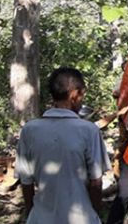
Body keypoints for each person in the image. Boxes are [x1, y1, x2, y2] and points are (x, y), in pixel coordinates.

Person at [15, 67, 111, 224]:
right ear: (74, 94)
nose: (82, 100)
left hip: (40, 218)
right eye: (82, 95)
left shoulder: (29, 130)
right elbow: (96, 182)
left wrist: (31, 212)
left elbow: (26, 182)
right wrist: (95, 212)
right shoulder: (88, 131)